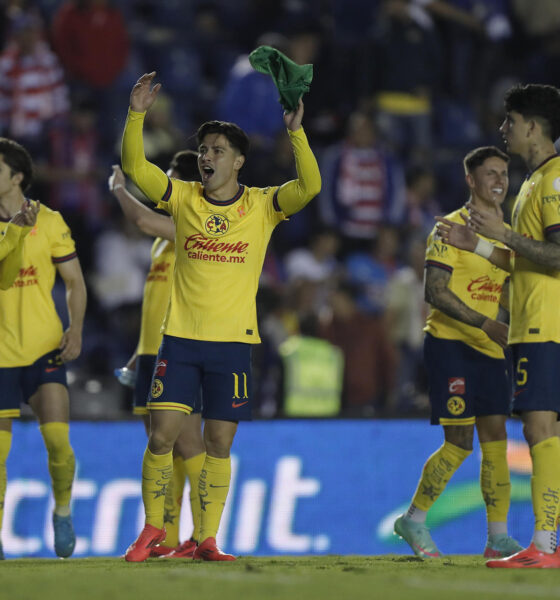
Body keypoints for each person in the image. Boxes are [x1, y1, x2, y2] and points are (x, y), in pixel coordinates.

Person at [121, 72, 321, 562]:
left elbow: (310, 186)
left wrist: (296, 133)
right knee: (162, 435)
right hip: (182, 340)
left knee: (217, 442)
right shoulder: (183, 196)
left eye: (216, 150)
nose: (207, 156)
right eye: (204, 149)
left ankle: (206, 538)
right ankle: (152, 528)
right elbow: (135, 167)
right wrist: (136, 115)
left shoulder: (261, 206)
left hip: (233, 343)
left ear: (238, 162)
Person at [436, 84, 560, 568]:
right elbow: (527, 259)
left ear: (532, 125)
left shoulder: (551, 181)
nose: (503, 130)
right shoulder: (535, 181)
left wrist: (502, 234)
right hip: (537, 321)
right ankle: (547, 543)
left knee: (539, 427)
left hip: (544, 325)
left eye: (509, 121)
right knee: (543, 429)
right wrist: (479, 246)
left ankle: (546, 545)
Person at [393, 146, 522, 559]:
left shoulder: (505, 236)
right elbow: (435, 293)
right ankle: (413, 520)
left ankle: (498, 537)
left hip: (489, 348)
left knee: (497, 439)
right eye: (490, 173)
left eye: (503, 172)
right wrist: (487, 323)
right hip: (451, 344)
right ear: (470, 180)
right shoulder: (448, 228)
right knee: (460, 442)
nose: (499, 180)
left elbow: (504, 289)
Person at [109, 152, 206, 559]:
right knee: (159, 445)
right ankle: (167, 535)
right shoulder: (161, 243)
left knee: (187, 443)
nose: (162, 188)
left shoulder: (190, 226)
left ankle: (203, 535)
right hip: (151, 353)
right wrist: (138, 354)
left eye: (169, 180)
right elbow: (156, 302)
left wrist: (119, 189)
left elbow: (142, 219)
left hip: (181, 350)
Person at [0, 137, 87, 559]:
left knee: (58, 443)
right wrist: (14, 233)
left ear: (16, 176)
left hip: (43, 347)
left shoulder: (50, 221)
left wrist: (77, 329)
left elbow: (74, 282)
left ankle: (64, 511)